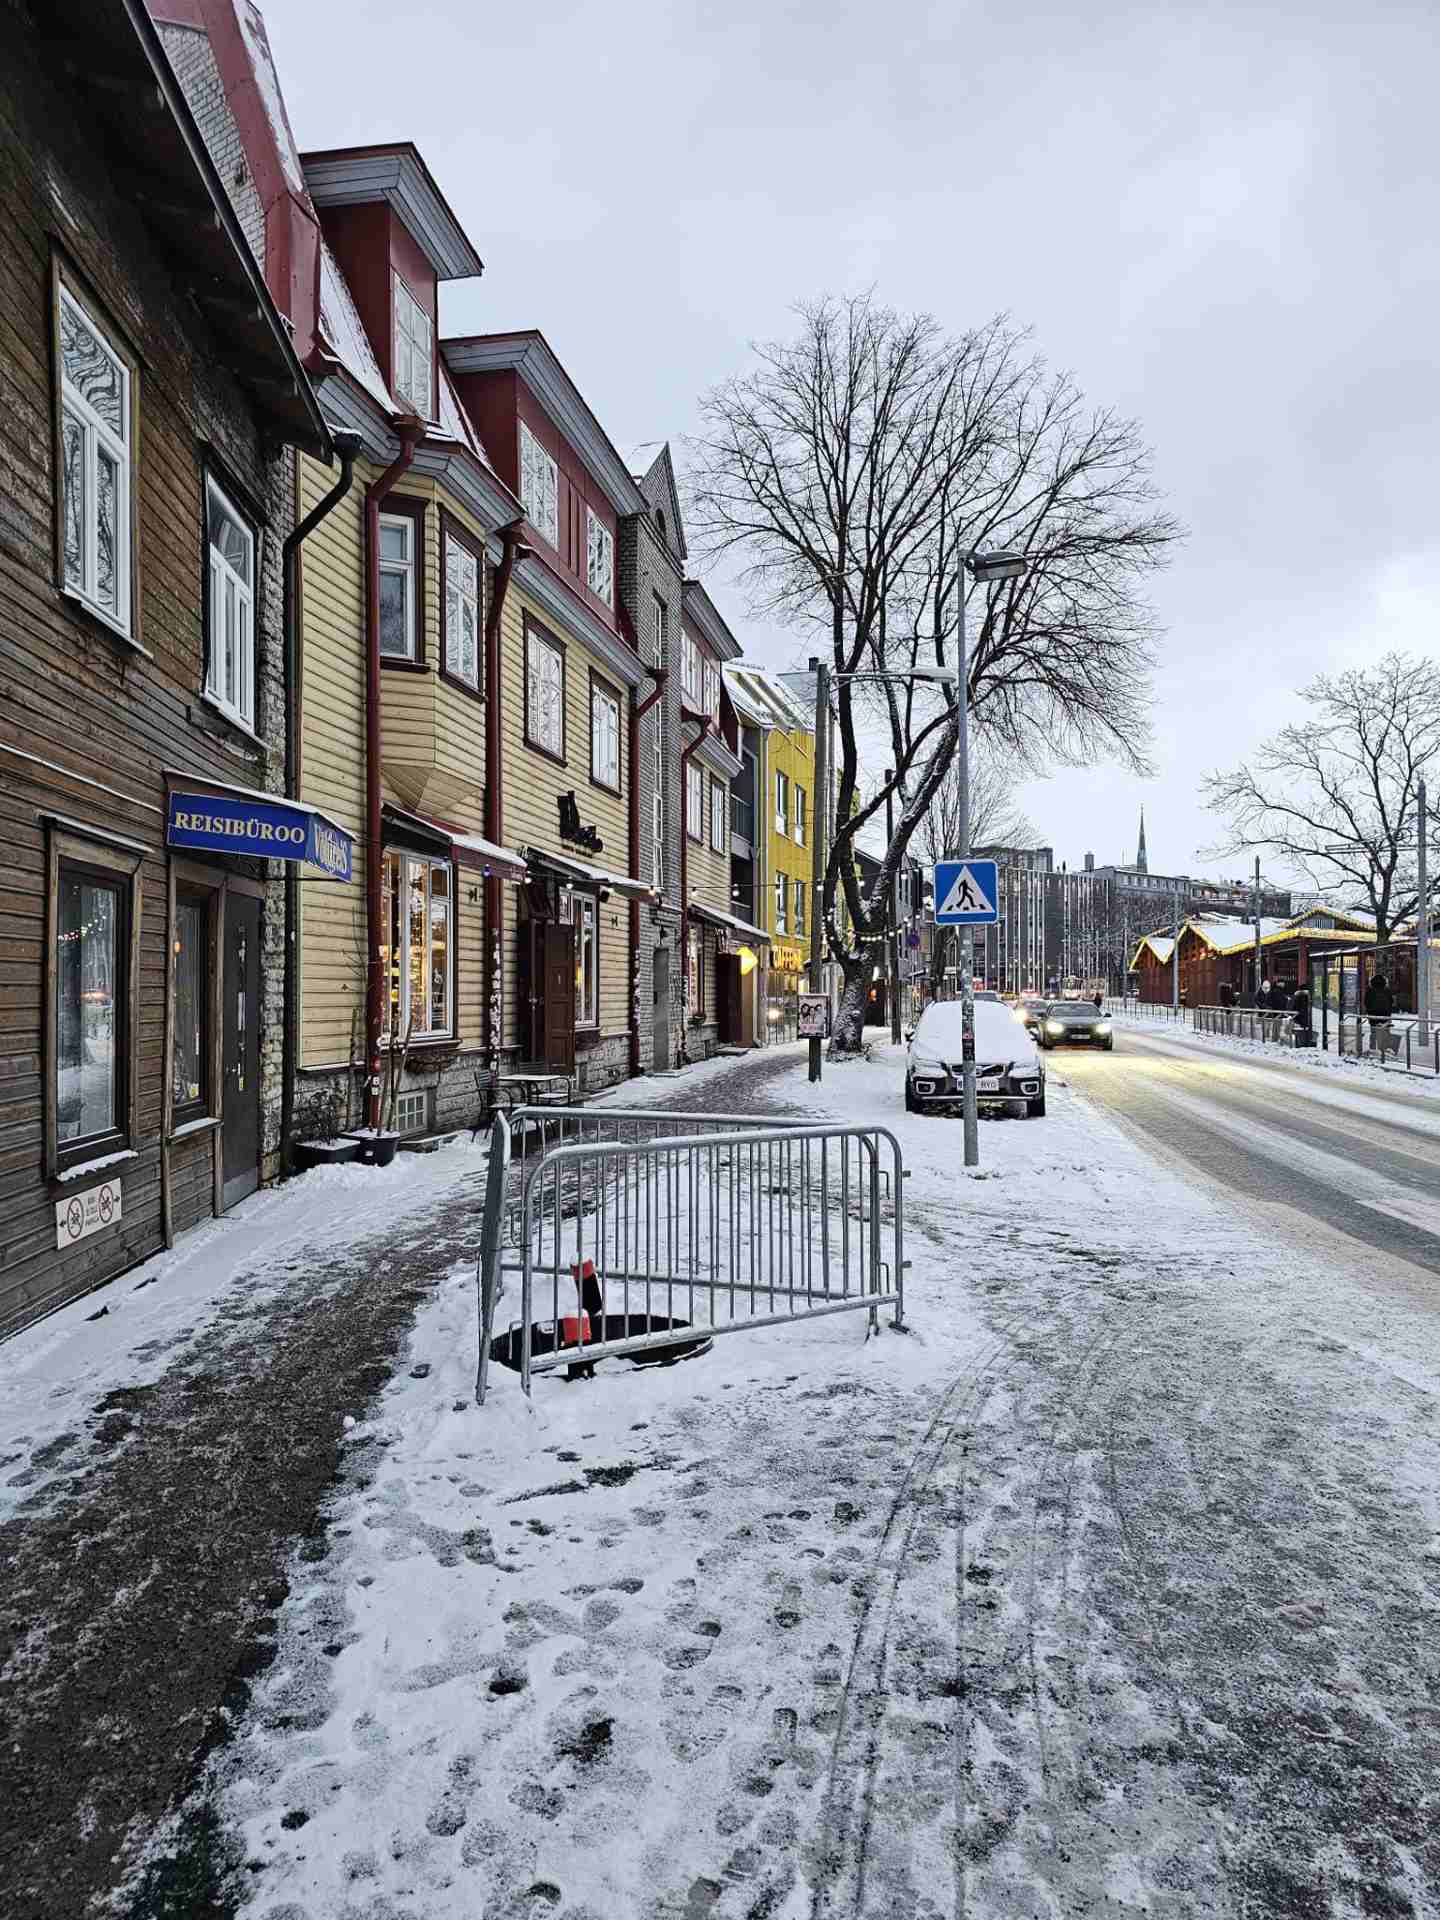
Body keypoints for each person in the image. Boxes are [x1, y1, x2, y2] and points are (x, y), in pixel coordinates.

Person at [1364, 971, 1394, 1054]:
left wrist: (1369, 1011)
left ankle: (1373, 1048)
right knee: (1385, 1032)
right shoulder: (1387, 989)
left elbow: (1366, 1002)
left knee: (1373, 1033)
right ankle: (1384, 1049)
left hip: (1373, 1015)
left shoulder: (1370, 989)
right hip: (1385, 1015)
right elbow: (1391, 1001)